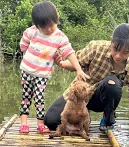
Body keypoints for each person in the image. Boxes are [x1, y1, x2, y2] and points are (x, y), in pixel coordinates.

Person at [44, 23, 129, 146]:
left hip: (103, 99)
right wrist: (62, 63)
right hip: (79, 96)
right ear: (111, 40)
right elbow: (76, 64)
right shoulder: (96, 48)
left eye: (125, 52)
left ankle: (107, 117)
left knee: (112, 83)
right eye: (115, 49)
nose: (118, 56)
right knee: (51, 121)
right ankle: (84, 112)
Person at [18, 1, 87, 134]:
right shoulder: (31, 32)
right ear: (37, 25)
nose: (49, 29)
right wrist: (28, 55)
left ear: (57, 19)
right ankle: (24, 122)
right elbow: (23, 43)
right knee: (26, 96)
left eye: (52, 25)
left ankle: (40, 123)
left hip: (43, 74)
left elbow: (69, 52)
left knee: (39, 97)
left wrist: (78, 68)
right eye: (44, 27)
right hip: (26, 70)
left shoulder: (59, 37)